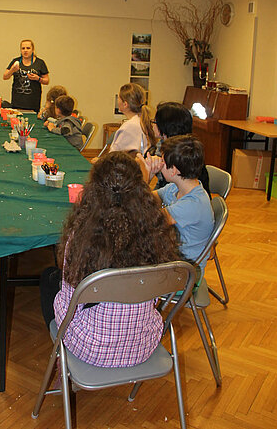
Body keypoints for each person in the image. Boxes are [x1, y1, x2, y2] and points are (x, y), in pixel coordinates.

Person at [40, 151, 178, 368]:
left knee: (49, 279)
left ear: (93, 190)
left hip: (89, 348)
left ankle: (60, 360)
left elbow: (67, 302)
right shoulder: (155, 232)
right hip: (143, 345)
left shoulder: (81, 237)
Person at [140, 134, 214, 273]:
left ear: (173, 170)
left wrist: (145, 176)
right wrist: (148, 177)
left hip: (183, 271)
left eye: (162, 161)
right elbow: (146, 199)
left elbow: (148, 220)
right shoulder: (175, 188)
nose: (160, 164)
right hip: (172, 256)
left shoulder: (192, 204)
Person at [150, 102, 210, 196]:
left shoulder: (180, 156)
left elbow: (169, 197)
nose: (152, 125)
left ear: (166, 127)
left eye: (155, 122)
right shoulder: (173, 147)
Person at [3, 39, 49, 112]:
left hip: (33, 103)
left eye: (28, 48)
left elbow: (46, 81)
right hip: (17, 102)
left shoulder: (40, 63)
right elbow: (5, 77)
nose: (25, 50)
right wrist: (12, 70)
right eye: (23, 48)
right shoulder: (16, 61)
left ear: (32, 49)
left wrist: (38, 78)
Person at [109, 83, 155, 154]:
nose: (117, 100)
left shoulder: (130, 126)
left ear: (125, 104)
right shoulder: (141, 120)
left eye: (118, 98)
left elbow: (114, 156)